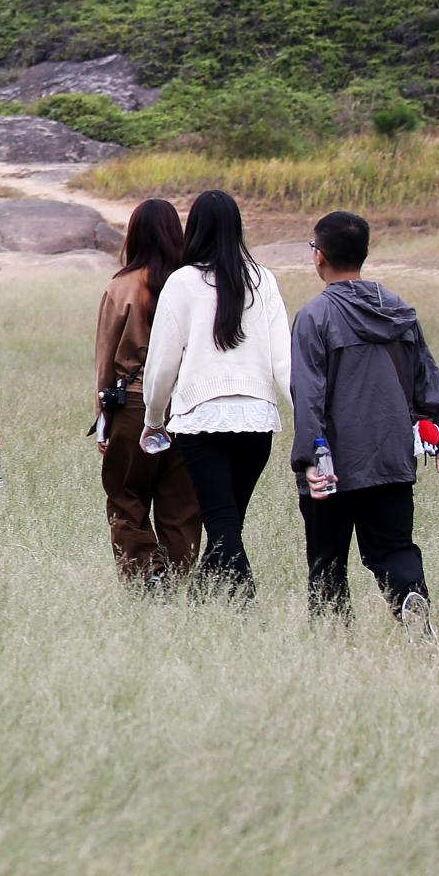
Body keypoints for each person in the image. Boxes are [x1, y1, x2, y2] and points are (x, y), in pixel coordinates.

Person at [290, 211, 439, 632]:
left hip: (334, 463)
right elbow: (427, 379)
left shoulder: (314, 316)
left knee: (327, 560)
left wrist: (310, 459)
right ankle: (410, 600)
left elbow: (308, 395)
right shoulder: (399, 311)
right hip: (391, 457)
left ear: (320, 256)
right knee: (394, 550)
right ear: (364, 253)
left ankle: (334, 639)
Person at [142, 190, 292, 600]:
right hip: (258, 420)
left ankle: (247, 607)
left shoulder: (182, 282)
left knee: (224, 527)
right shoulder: (263, 279)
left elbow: (162, 365)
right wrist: (309, 417)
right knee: (228, 524)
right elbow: (285, 362)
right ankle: (197, 605)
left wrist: (153, 418)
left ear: (195, 229)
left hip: (201, 421)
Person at [94, 198, 203, 589]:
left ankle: (147, 574)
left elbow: (105, 359)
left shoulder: (121, 286)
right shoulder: (194, 284)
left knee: (126, 497)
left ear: (134, 235)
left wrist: (102, 420)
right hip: (187, 405)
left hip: (134, 404)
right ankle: (176, 580)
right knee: (182, 506)